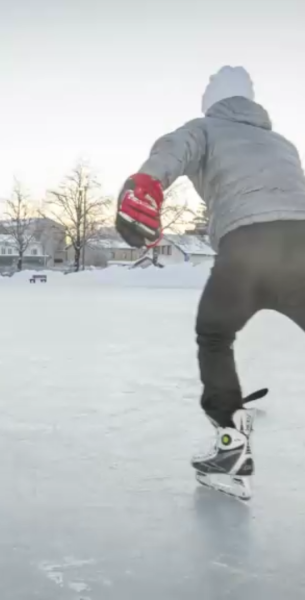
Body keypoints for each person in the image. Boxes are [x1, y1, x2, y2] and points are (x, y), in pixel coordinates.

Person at [115, 66, 305, 498]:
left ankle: (230, 447)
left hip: (247, 245)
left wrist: (146, 183)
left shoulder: (204, 128)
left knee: (215, 337)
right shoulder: (283, 143)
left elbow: (171, 151)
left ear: (211, 102)